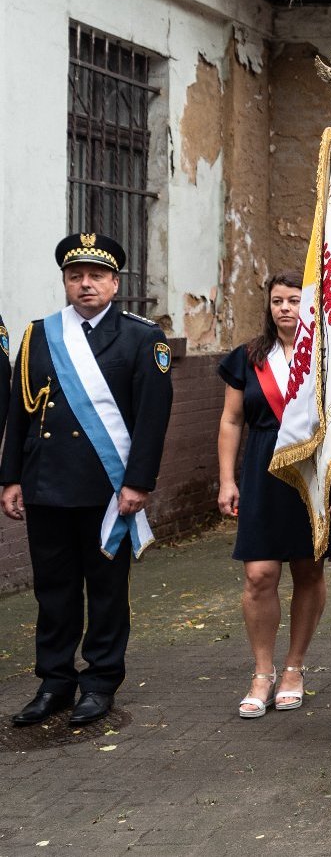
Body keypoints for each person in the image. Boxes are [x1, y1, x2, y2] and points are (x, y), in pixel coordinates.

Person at [2, 233, 173, 727]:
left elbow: (151, 418)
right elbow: (20, 409)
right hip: (46, 484)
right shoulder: (39, 334)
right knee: (52, 589)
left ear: (115, 283)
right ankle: (54, 680)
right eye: (75, 276)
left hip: (107, 490)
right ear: (65, 282)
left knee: (105, 589)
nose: (85, 284)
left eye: (96, 276)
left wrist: (138, 483)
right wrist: (10, 478)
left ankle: (100, 681)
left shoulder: (143, 337)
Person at [217, 271, 329, 718]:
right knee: (259, 575)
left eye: (294, 300)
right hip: (262, 471)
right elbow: (230, 420)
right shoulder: (247, 357)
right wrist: (227, 480)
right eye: (278, 301)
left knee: (308, 570)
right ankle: (261, 673)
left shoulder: (323, 356)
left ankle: (294, 668)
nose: (285, 308)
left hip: (311, 474)